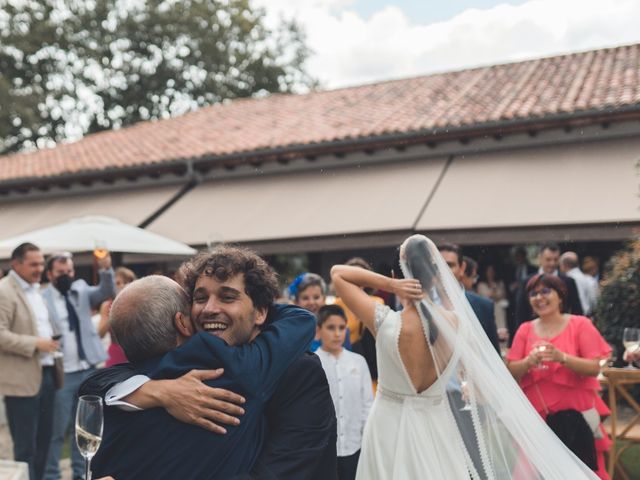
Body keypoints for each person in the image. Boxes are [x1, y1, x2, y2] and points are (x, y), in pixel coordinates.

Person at [332, 234, 600, 479]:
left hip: (388, 425)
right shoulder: (456, 324)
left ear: (396, 275)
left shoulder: (384, 322)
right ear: (436, 277)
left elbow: (339, 274)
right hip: (435, 424)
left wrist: (391, 285)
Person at [81, 246, 337, 480]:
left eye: (227, 297)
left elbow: (282, 470)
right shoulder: (172, 366)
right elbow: (97, 384)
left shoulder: (300, 370)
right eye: (200, 298)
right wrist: (159, 392)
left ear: (260, 312)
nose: (209, 309)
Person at [507, 273, 612, 479]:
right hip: (537, 418)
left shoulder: (580, 324)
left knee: (582, 471)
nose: (539, 297)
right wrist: (528, 363)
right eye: (533, 294)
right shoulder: (525, 330)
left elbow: (593, 367)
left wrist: (561, 357)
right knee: (532, 472)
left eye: (546, 291)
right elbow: (510, 371)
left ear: (561, 297)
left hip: (576, 418)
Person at [42, 251, 115, 480]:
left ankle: (80, 474)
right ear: (50, 273)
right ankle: (52, 475)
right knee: (58, 430)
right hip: (63, 374)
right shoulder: (42, 298)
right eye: (61, 272)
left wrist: (105, 269)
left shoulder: (81, 290)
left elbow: (107, 292)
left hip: (88, 370)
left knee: (85, 430)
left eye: (69, 271)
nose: (66, 275)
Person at [0, 243, 61, 480]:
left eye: (41, 263)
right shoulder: (4, 291)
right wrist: (36, 343)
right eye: (33, 264)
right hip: (22, 381)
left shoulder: (36, 290)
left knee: (44, 440)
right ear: (16, 264)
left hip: (47, 374)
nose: (40, 268)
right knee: (26, 447)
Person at [315, 305, 373, 480]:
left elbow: (367, 404)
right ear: (318, 331)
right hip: (323, 449)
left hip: (354, 445)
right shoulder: (313, 363)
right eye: (331, 328)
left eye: (341, 328)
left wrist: (366, 438)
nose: (337, 334)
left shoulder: (358, 362)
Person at [512, 243, 583, 341]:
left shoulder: (568, 281)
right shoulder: (527, 281)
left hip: (563, 334)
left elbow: (577, 310)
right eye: (548, 259)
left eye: (555, 260)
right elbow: (521, 312)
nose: (552, 263)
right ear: (540, 259)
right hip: (534, 334)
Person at [438, 244, 500, 354]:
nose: (443, 270)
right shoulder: (419, 305)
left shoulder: (483, 306)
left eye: (450, 265)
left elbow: (493, 354)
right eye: (438, 265)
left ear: (462, 268)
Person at [334, 257, 384, 381]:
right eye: (353, 277)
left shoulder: (377, 303)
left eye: (360, 277)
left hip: (372, 363)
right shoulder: (337, 304)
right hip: (344, 363)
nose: (356, 281)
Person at [97, 267, 137, 366]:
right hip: (115, 354)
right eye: (118, 283)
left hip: (136, 353)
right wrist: (112, 313)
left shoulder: (139, 303)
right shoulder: (107, 305)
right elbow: (100, 334)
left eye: (126, 282)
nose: (122, 286)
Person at [477, 264, 509, 344]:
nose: (491, 273)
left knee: (501, 327)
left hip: (499, 310)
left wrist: (492, 293)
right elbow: (484, 296)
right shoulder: (481, 284)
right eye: (489, 271)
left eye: (492, 271)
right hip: (486, 311)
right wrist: (493, 291)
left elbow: (502, 294)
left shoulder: (499, 283)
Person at [559, 252, 598, 317]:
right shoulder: (590, 280)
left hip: (569, 318)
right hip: (587, 317)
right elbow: (594, 301)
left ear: (563, 265)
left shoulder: (563, 282)